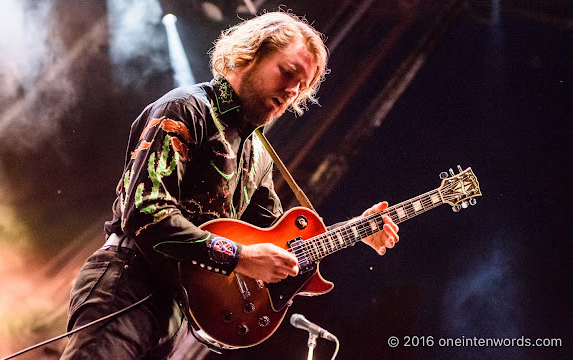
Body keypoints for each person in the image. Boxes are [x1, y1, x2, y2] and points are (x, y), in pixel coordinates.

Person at [60, 11, 400, 360]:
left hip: (177, 313)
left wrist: (357, 231)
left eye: (302, 88)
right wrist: (238, 257)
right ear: (249, 55)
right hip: (129, 284)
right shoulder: (187, 109)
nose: (292, 91)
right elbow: (146, 212)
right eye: (287, 73)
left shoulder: (259, 155)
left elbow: (279, 244)